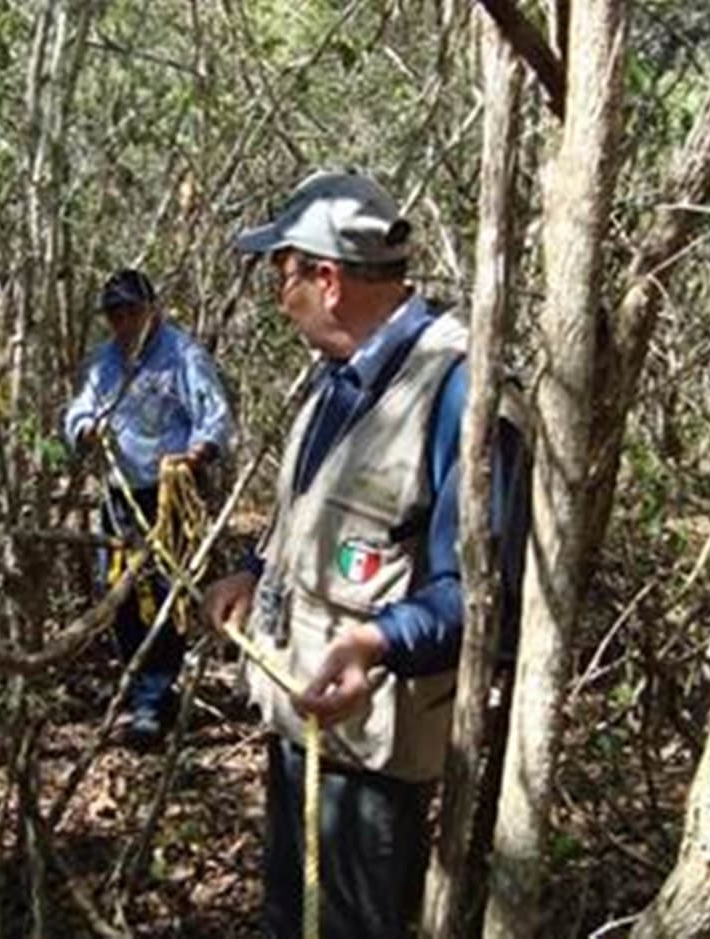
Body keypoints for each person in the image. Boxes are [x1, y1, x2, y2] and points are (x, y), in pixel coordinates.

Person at [201, 171, 529, 939]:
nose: (280, 301)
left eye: (284, 277)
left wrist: (374, 642)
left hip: (372, 764)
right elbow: (312, 516)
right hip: (298, 728)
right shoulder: (332, 384)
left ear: (328, 278)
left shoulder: (464, 394)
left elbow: (484, 599)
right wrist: (253, 566)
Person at [65, 268, 234, 745]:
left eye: (131, 310)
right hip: (122, 495)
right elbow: (80, 409)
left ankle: (152, 702)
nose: (123, 321)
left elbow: (214, 417)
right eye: (114, 313)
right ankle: (143, 689)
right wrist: (84, 429)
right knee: (120, 591)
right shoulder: (104, 363)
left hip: (169, 494)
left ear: (151, 309)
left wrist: (194, 456)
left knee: (164, 593)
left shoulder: (183, 355)